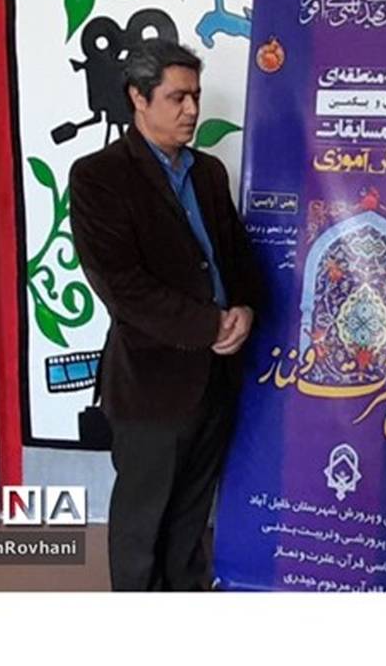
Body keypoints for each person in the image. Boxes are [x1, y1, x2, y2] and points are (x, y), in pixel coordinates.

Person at [68, 39, 262, 591]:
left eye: (195, 96)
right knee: (143, 524)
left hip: (217, 376)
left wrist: (245, 308)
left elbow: (237, 256)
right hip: (153, 383)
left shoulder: (207, 173)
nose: (192, 110)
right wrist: (209, 325)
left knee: (190, 518)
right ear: (138, 97)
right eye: (178, 98)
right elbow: (122, 286)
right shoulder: (99, 176)